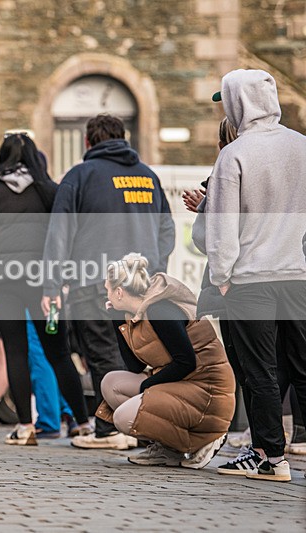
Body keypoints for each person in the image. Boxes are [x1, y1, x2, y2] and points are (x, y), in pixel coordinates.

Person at [41, 114, 175, 450]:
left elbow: (60, 233)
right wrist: (154, 268)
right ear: (123, 137)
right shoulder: (148, 176)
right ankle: (142, 429)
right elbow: (167, 229)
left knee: (102, 354)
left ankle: (109, 429)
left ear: (88, 141)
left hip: (95, 283)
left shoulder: (80, 176)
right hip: (142, 287)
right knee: (138, 357)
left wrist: (51, 285)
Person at [204, 69, 306, 482]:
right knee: (302, 367)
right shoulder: (302, 146)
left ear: (236, 103)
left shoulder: (235, 154)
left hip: (250, 279)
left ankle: (270, 457)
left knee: (261, 370)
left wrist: (221, 274)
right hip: (298, 274)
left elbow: (223, 223)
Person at [0, 133, 91, 444]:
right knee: (58, 352)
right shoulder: (51, 191)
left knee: (15, 350)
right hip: (45, 284)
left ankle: (26, 427)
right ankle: (81, 422)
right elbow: (69, 233)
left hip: (1, 280)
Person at [101, 253, 235, 468]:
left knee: (123, 418)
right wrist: (119, 323)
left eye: (107, 289)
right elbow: (134, 366)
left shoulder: (160, 310)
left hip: (206, 389)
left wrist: (147, 387)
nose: (105, 294)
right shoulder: (136, 314)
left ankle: (206, 439)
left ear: (118, 292)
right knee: (111, 384)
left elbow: (186, 362)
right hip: (181, 384)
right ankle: (168, 450)